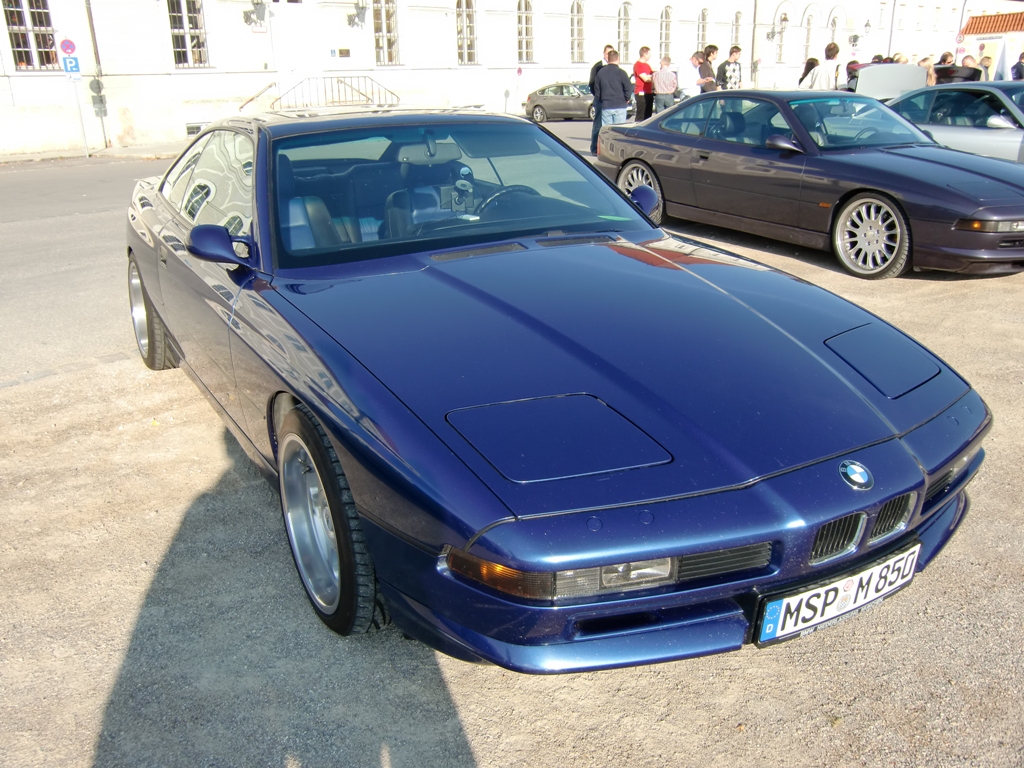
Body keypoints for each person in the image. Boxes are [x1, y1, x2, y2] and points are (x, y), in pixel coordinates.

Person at [594, 49, 633, 126]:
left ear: (608, 59)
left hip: (606, 105)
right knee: (619, 129)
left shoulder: (601, 73)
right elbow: (628, 88)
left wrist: (602, 100)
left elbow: (597, 90)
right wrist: (627, 98)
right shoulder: (622, 73)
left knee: (607, 130)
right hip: (620, 105)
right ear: (618, 58)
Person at [589, 44, 614, 154]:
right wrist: (598, 96)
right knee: (598, 125)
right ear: (604, 53)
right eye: (608, 53)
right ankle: (594, 147)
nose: (609, 55)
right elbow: (592, 84)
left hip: (611, 100)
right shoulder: (597, 67)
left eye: (611, 53)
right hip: (600, 100)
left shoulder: (613, 67)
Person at [633, 47, 654, 121]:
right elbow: (646, 79)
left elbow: (652, 76)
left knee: (648, 116)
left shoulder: (647, 65)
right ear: (644, 54)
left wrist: (650, 77)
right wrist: (650, 77)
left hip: (649, 92)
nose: (650, 56)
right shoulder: (638, 65)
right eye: (649, 54)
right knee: (641, 116)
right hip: (641, 93)